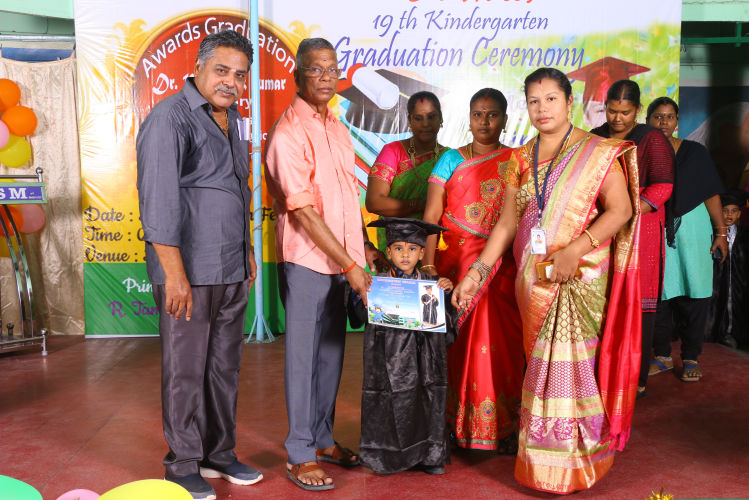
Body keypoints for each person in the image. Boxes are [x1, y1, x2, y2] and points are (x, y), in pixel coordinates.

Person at [452, 68, 640, 494]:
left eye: (551, 99)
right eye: (534, 101)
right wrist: (477, 273)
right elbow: (506, 224)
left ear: (570, 102)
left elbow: (621, 209)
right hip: (534, 280)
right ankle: (545, 464)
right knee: (539, 369)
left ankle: (577, 460)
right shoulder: (520, 159)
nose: (542, 109)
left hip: (578, 279)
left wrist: (575, 250)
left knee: (571, 370)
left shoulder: (596, 151)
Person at [136, 30, 262, 500]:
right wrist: (174, 275)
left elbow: (236, 189)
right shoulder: (169, 117)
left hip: (231, 266)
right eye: (221, 70)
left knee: (224, 368)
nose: (231, 81)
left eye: (240, 75)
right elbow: (157, 201)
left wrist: (247, 251)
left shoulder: (234, 119)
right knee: (185, 371)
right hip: (189, 271)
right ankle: (183, 462)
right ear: (199, 68)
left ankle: (219, 453)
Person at [264, 37, 388, 492]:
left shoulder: (336, 126)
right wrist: (350, 264)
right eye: (315, 69)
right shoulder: (287, 133)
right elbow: (303, 211)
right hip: (308, 262)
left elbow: (347, 198)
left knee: (332, 354)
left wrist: (364, 248)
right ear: (297, 74)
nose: (325, 77)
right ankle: (299, 454)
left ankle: (321, 438)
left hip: (344, 261)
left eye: (331, 69)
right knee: (303, 359)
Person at [421, 88, 523, 454]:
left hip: (499, 265)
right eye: (478, 114)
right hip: (453, 263)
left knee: (503, 344)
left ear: (505, 120)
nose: (484, 121)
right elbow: (431, 217)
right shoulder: (449, 159)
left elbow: (517, 219)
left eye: (492, 114)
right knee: (455, 345)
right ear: (469, 118)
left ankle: (504, 424)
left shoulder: (516, 160)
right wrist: (428, 264)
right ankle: (453, 423)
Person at [590, 80, 676, 399]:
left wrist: (624, 211)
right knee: (600, 297)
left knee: (637, 302)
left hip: (642, 228)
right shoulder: (595, 137)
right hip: (601, 226)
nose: (617, 119)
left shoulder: (651, 138)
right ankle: (598, 375)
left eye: (625, 112)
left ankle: (633, 379)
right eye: (612, 111)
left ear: (637, 110)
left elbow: (663, 186)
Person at [355, 217, 457, 475]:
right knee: (387, 401)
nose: (405, 254)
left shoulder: (432, 285)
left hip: (425, 358)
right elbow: (358, 316)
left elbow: (446, 330)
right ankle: (385, 455)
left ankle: (430, 455)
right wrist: (361, 294)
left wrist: (445, 295)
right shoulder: (378, 283)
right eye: (398, 248)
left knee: (427, 398)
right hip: (386, 358)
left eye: (412, 249)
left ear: (422, 253)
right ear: (388, 252)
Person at [644, 97, 727, 389]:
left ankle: (691, 357)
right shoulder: (640, 151)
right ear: (647, 120)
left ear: (677, 121)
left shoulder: (695, 152)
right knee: (659, 293)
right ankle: (662, 356)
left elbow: (711, 193)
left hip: (693, 231)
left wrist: (721, 232)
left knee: (696, 292)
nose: (663, 122)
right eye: (658, 116)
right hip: (655, 228)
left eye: (669, 117)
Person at [365, 91, 449, 253]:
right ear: (409, 121)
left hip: (435, 248)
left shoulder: (449, 158)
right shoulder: (393, 151)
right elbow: (374, 202)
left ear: (441, 119)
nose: (425, 124)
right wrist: (418, 205)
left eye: (431, 117)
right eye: (418, 118)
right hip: (396, 245)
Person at [706, 189, 749, 348]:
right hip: (718, 281)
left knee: (738, 305)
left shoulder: (744, 234)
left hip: (739, 282)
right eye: (724, 211)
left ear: (739, 214)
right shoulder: (711, 233)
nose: (729, 214)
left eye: (734, 211)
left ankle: (735, 333)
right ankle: (719, 332)